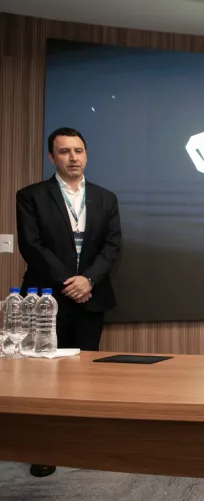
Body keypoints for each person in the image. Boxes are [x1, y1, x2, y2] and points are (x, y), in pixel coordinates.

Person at [16, 127, 122, 478]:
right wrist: (70, 281)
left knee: (85, 374)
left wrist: (88, 280)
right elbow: (32, 246)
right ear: (52, 157)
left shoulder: (106, 198)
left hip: (91, 297)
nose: (73, 158)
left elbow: (112, 247)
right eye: (64, 152)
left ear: (86, 155)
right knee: (44, 376)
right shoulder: (30, 196)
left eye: (78, 151)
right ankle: (45, 448)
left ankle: (81, 443)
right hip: (48, 299)